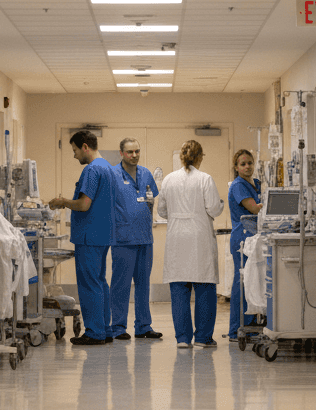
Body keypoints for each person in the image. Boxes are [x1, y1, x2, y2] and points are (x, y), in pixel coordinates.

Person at [48, 130, 117, 346]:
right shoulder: (108, 167)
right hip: (103, 234)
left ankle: (94, 332)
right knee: (99, 282)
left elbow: (84, 204)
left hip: (89, 235)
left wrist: (63, 202)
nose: (75, 155)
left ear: (85, 147)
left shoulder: (92, 170)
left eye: (75, 150)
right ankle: (104, 328)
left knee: (89, 284)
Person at [157, 140, 224, 348]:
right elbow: (213, 208)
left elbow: (161, 211)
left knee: (179, 289)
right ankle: (203, 338)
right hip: (199, 237)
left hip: (177, 237)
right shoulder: (205, 179)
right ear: (200, 157)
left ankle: (183, 339)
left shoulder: (168, 180)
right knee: (204, 287)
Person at [109, 138, 163, 340]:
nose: (134, 155)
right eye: (130, 152)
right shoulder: (113, 175)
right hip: (123, 238)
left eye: (137, 151)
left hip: (145, 237)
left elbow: (151, 200)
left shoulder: (146, 173)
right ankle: (118, 327)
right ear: (121, 153)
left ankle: (143, 326)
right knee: (120, 285)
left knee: (143, 284)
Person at [227, 149, 263, 341]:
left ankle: (248, 326)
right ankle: (236, 329)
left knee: (251, 281)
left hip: (253, 237)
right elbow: (254, 209)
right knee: (242, 282)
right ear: (236, 167)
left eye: (250, 162)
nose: (247, 166)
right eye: (243, 164)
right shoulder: (239, 185)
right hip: (242, 238)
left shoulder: (254, 184)